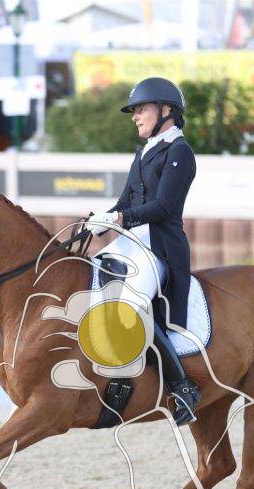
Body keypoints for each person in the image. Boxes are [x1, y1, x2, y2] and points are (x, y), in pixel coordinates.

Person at [83, 77, 201, 425]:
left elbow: (164, 206)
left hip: (160, 247)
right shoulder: (145, 151)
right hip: (131, 241)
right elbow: (126, 202)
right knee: (91, 288)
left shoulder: (179, 152)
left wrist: (120, 218)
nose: (135, 117)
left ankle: (182, 386)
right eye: (134, 111)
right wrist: (101, 219)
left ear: (166, 110)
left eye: (141, 110)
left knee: (131, 308)